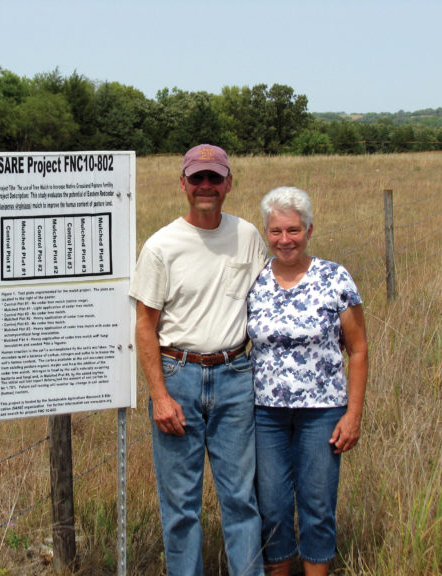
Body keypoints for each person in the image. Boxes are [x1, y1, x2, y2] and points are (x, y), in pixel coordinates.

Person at [129, 144, 267, 576]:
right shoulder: (161, 246)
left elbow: (269, 300)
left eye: (214, 177)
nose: (206, 186)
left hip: (235, 375)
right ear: (183, 184)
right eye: (197, 178)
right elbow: (145, 325)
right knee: (181, 506)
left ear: (229, 183)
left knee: (241, 500)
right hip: (179, 378)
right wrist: (160, 396)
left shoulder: (248, 236)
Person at [247, 187, 368, 576]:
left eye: (294, 230)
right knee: (273, 507)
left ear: (309, 230)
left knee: (317, 505)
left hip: (323, 413)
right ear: (266, 233)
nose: (285, 240)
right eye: (276, 231)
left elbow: (358, 350)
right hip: (265, 413)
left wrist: (353, 415)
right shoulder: (254, 280)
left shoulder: (334, 277)